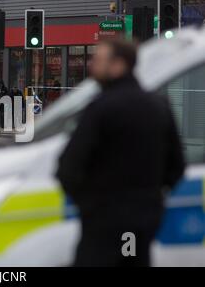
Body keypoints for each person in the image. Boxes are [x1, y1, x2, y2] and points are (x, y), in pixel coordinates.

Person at [56, 39, 185, 267]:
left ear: (118, 65)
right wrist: (151, 198)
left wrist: (89, 205)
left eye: (98, 60)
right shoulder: (159, 105)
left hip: (103, 224)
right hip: (141, 221)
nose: (91, 65)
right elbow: (176, 166)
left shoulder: (101, 108)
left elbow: (68, 166)